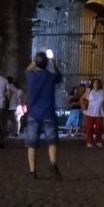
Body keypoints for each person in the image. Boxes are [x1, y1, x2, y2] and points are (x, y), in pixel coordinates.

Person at [25, 51, 63, 180]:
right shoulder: (51, 77)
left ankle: (32, 172)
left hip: (33, 114)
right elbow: (60, 77)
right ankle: (52, 162)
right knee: (52, 142)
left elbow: (28, 69)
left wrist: (35, 60)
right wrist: (53, 62)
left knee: (32, 144)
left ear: (36, 63)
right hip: (49, 113)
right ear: (47, 64)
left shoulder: (31, 76)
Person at [83, 78, 104, 148]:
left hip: (99, 113)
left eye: (97, 82)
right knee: (89, 128)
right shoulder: (89, 91)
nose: (96, 84)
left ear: (99, 84)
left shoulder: (102, 92)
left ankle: (98, 141)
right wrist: (84, 106)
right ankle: (89, 141)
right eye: (94, 82)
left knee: (99, 128)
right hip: (89, 112)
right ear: (92, 84)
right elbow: (82, 98)